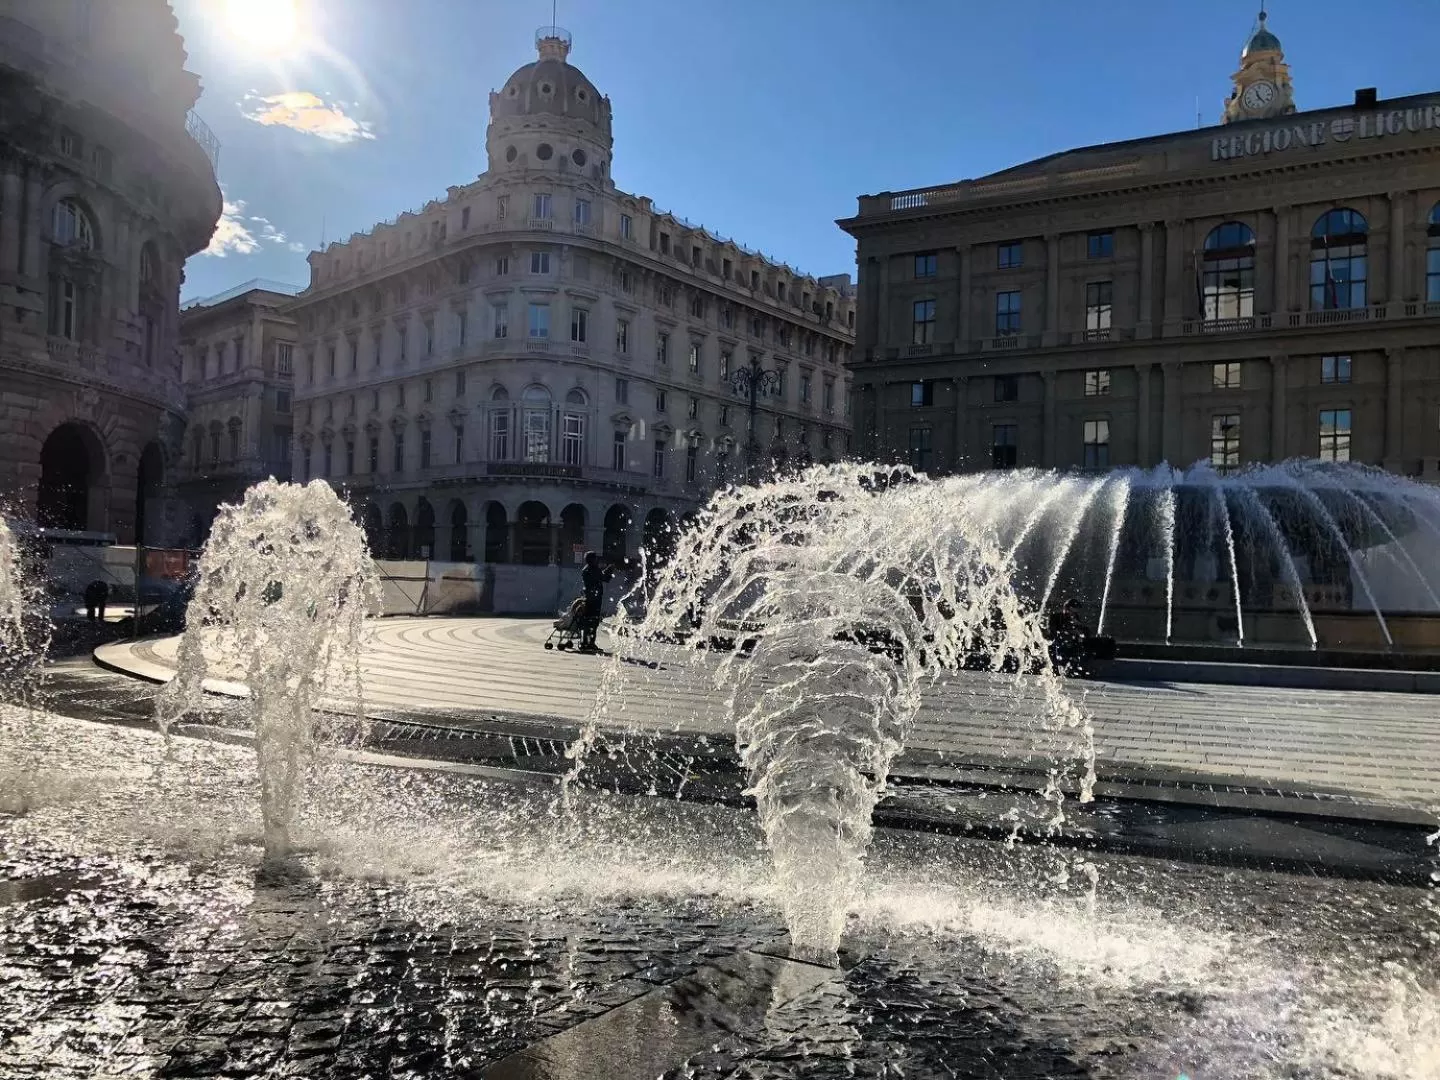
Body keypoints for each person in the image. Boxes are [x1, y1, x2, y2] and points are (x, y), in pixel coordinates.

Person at [578, 551, 614, 653]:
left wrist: (607, 571)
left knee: (589, 622)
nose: (597, 560)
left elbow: (601, 577)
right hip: (594, 600)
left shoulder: (587, 569)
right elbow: (604, 578)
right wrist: (609, 570)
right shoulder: (592, 570)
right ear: (592, 559)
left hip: (589, 598)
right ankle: (589, 643)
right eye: (595, 558)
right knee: (593, 622)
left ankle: (586, 643)